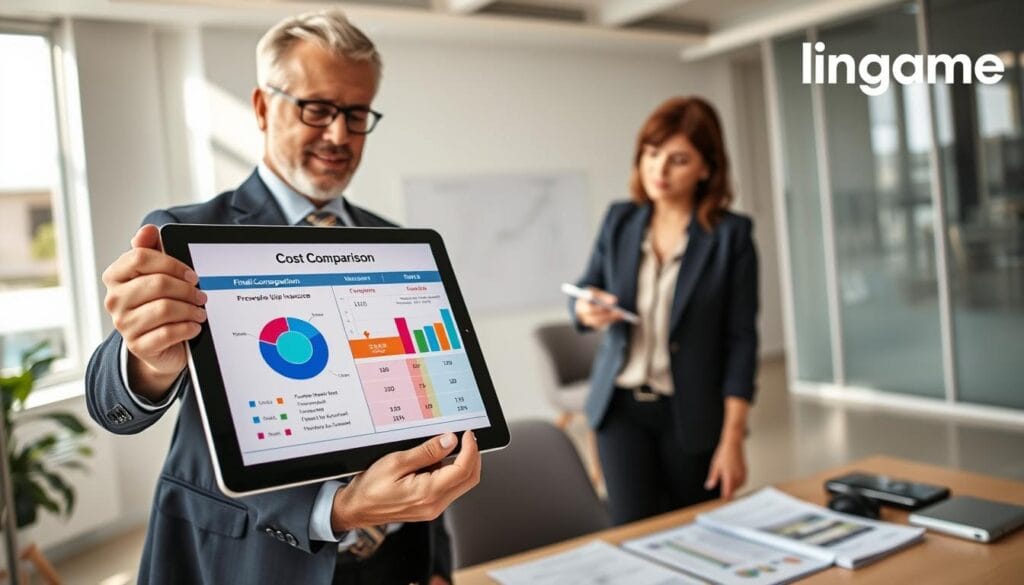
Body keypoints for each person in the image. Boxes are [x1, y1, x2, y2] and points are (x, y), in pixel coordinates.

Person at [84, 10, 480, 585]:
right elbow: (110, 406)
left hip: (396, 559)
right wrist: (146, 360)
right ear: (264, 107)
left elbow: (422, 417)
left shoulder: (396, 245)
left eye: (357, 113)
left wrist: (435, 559)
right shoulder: (185, 233)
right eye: (317, 108)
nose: (339, 135)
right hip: (252, 560)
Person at [570, 96, 758, 526]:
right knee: (630, 530)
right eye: (652, 155)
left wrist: (733, 439)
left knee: (692, 531)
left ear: (706, 168)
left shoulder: (732, 237)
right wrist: (585, 308)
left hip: (690, 413)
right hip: (620, 410)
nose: (659, 170)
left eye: (678, 160)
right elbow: (584, 289)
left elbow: (741, 341)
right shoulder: (619, 220)